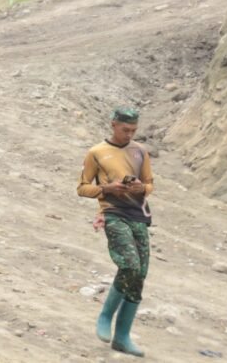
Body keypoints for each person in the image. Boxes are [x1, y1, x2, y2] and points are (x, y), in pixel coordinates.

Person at [77, 108, 154, 358]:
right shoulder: (96, 152)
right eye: (125, 130)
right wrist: (108, 188)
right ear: (113, 125)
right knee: (130, 266)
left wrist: (142, 187)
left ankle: (122, 337)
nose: (129, 134)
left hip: (139, 216)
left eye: (133, 130)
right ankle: (105, 315)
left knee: (139, 274)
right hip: (113, 213)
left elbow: (150, 184)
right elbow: (82, 187)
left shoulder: (140, 151)